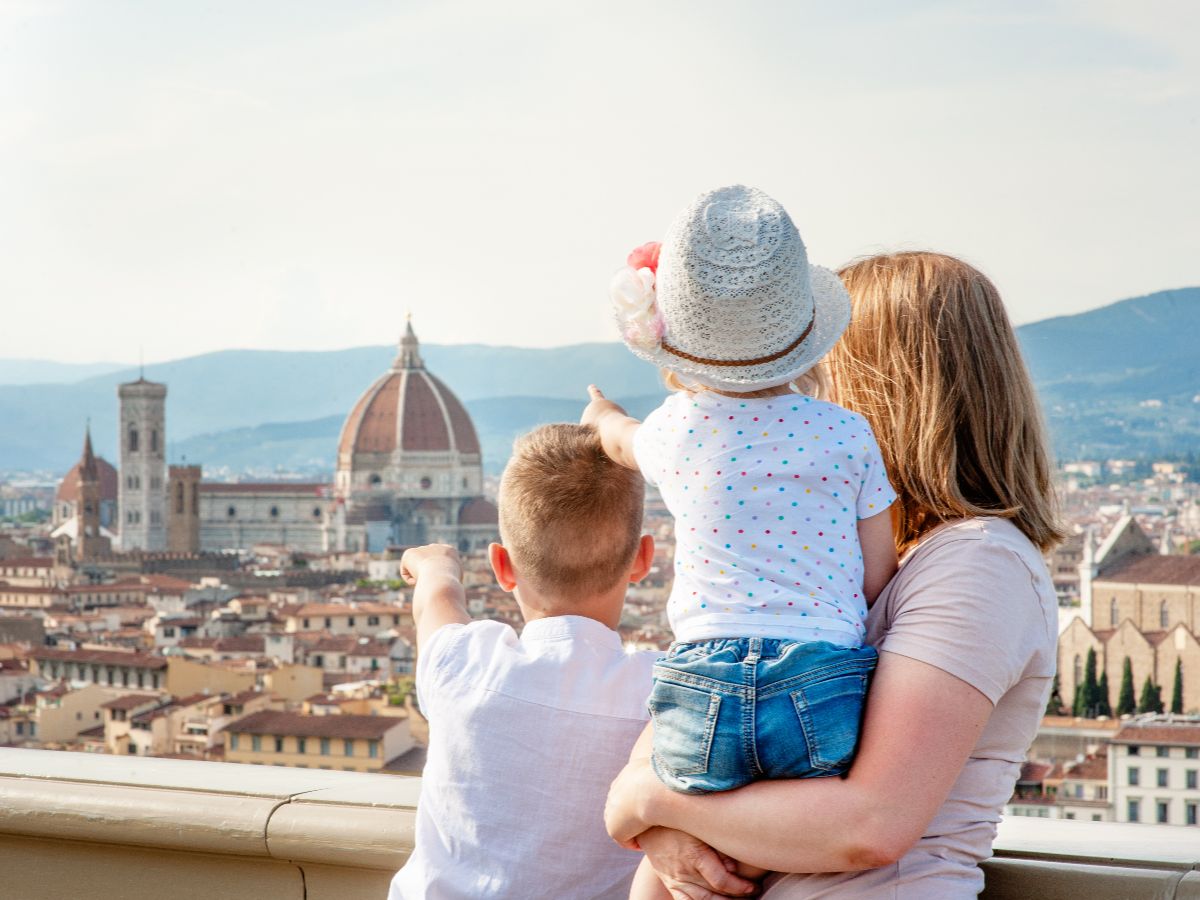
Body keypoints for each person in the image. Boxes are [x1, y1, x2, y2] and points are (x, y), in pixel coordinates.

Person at [604, 251, 1065, 899]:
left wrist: (647, 802)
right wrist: (659, 819)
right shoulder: (836, 575)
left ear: (883, 384)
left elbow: (868, 825)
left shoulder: (980, 562)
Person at [584, 185, 898, 898]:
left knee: (672, 859)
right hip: (821, 684)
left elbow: (617, 438)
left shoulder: (674, 428)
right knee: (770, 848)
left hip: (700, 688)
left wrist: (599, 413)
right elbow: (877, 575)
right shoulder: (849, 435)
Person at [388, 423, 662, 900]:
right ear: (642, 560)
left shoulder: (463, 663)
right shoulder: (665, 693)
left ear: (502, 566)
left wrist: (436, 564)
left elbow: (437, 601)